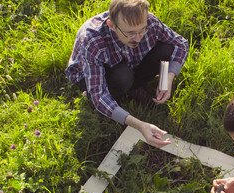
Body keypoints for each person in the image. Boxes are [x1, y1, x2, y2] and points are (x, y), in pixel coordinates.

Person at [65, 0, 189, 148]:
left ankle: (132, 87)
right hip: (93, 76)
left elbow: (180, 43)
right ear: (112, 26)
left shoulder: (150, 22)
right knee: (123, 77)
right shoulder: (92, 40)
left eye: (142, 30)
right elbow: (98, 96)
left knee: (166, 49)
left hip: (130, 63)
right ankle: (127, 88)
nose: (138, 38)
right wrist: (139, 124)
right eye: (130, 33)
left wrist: (168, 78)